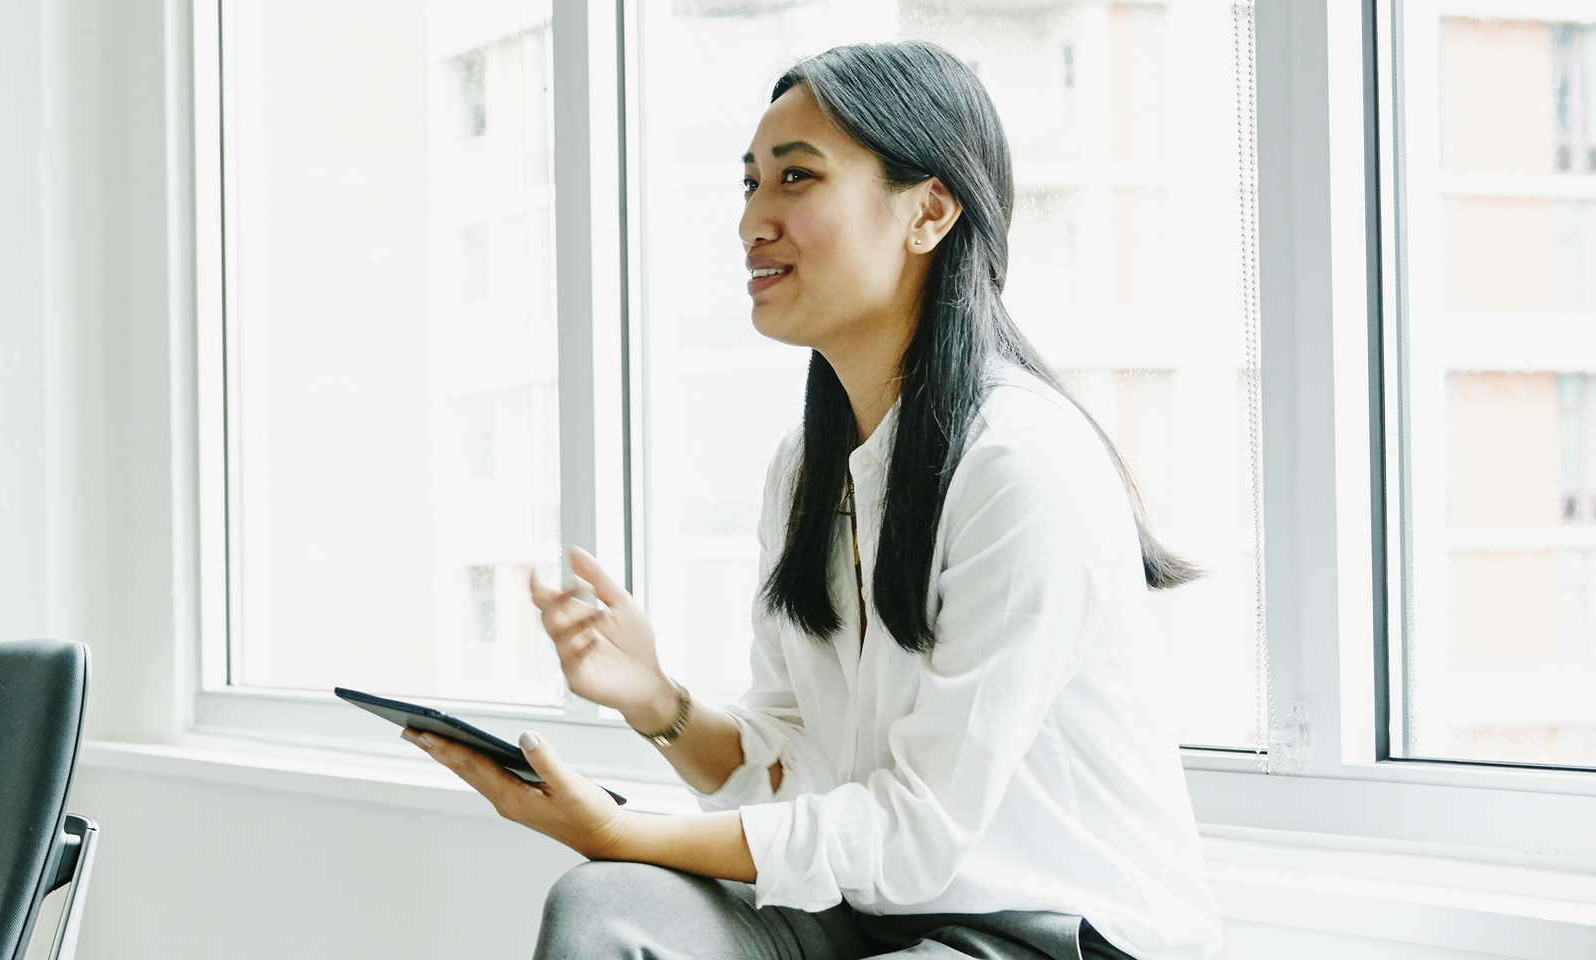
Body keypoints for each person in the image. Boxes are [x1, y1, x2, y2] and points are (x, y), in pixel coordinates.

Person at [402, 42, 1220, 960]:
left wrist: (623, 829)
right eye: (751, 183)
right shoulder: (807, 468)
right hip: (876, 911)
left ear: (929, 212)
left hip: (1052, 933)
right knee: (605, 906)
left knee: (625, 864)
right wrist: (660, 705)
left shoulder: (1023, 469)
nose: (755, 219)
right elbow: (796, 773)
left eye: (796, 178)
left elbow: (912, 833)